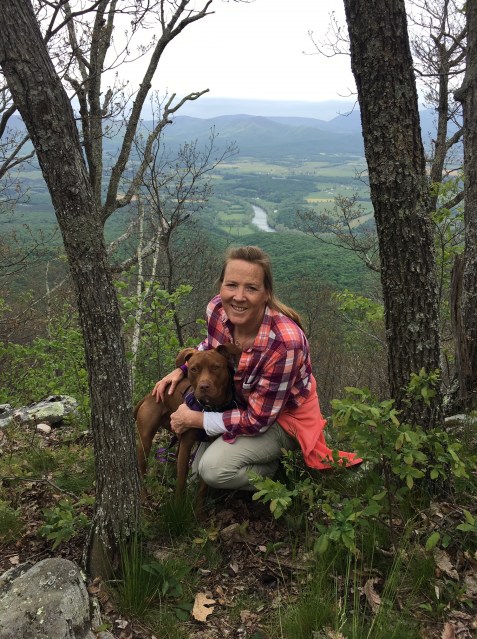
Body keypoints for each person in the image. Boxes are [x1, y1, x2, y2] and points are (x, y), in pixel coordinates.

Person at [152, 245, 361, 491]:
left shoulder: (285, 344)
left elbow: (257, 420)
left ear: (266, 294)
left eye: (251, 288)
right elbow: (211, 346)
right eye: (231, 285)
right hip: (241, 406)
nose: (239, 297)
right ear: (221, 286)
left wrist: (196, 418)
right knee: (196, 473)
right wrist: (182, 369)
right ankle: (245, 458)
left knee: (213, 471)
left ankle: (275, 472)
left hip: (282, 418)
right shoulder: (217, 310)